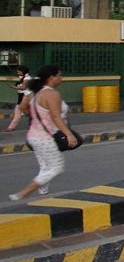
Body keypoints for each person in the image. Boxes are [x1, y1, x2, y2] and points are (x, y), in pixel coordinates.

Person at [8, 64, 79, 201]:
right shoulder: (51, 94)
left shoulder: (35, 92)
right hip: (47, 137)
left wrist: (36, 117)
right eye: (59, 75)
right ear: (51, 77)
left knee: (46, 166)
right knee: (56, 167)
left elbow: (23, 107)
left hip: (34, 135)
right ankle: (23, 193)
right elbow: (56, 117)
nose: (61, 78)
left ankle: (43, 194)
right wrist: (68, 134)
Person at [7, 65, 31, 130]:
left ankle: (11, 127)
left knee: (18, 111)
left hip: (26, 96)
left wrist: (14, 87)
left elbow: (24, 87)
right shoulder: (22, 77)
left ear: (23, 72)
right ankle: (11, 127)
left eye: (19, 72)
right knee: (18, 111)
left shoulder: (27, 78)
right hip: (21, 96)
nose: (17, 73)